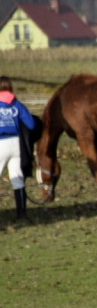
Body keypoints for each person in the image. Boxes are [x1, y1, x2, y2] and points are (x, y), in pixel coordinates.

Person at [0, 76, 36, 220]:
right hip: (16, 144)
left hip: (1, 143)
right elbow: (32, 124)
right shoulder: (17, 105)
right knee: (17, 178)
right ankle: (22, 215)